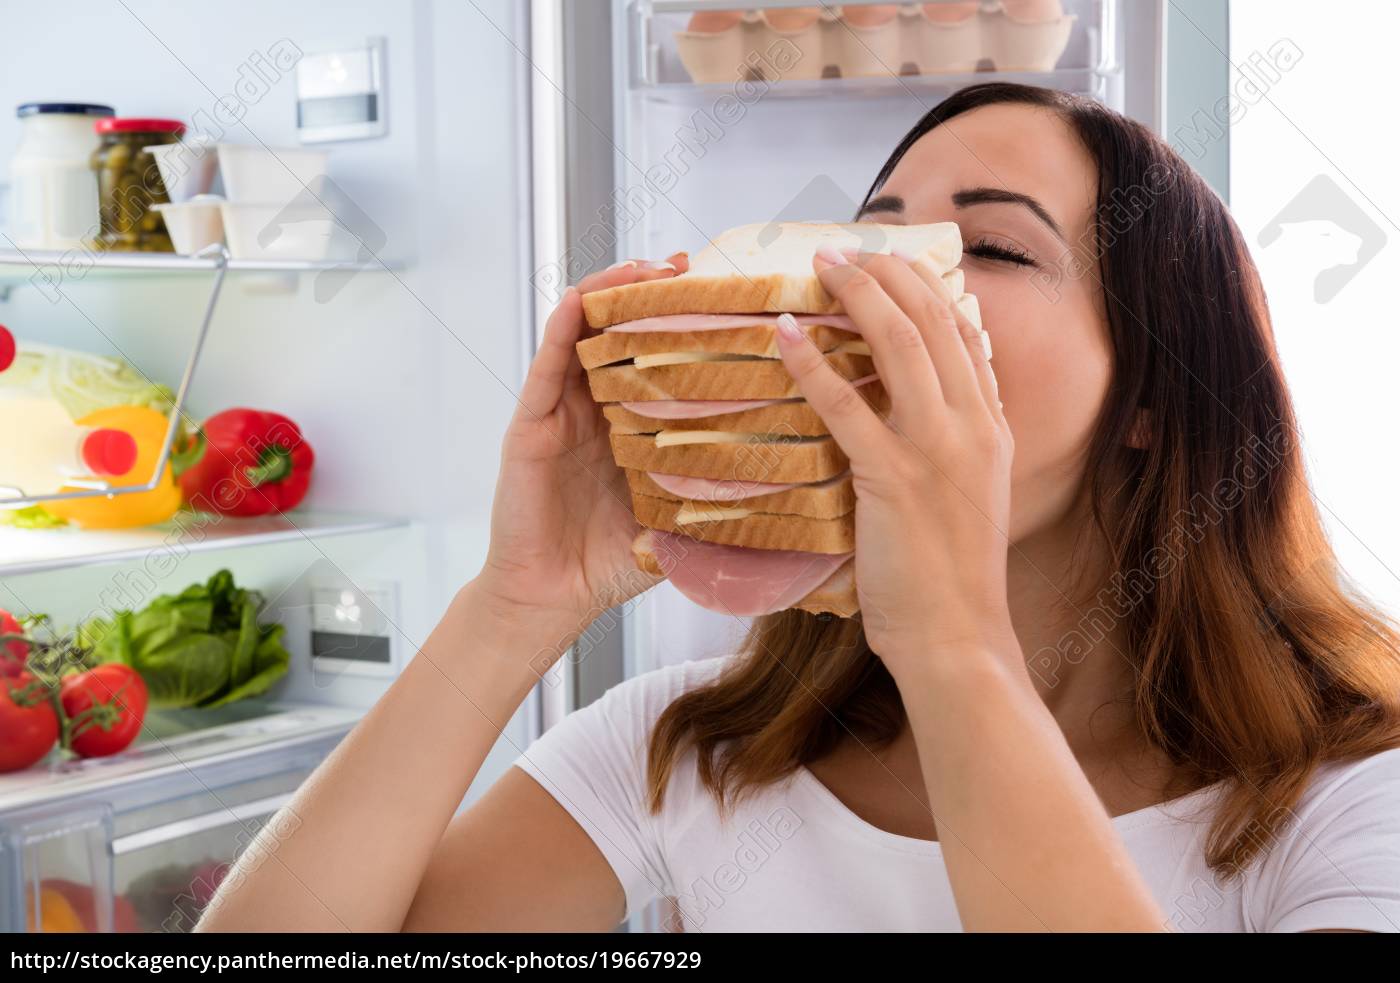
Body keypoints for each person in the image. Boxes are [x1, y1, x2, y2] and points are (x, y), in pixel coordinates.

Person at [196, 83, 1400, 933]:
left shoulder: (1350, 788)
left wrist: (948, 643)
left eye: (988, 246)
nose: (877, 282)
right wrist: (515, 602)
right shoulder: (693, 746)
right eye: (868, 232)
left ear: (1150, 393)